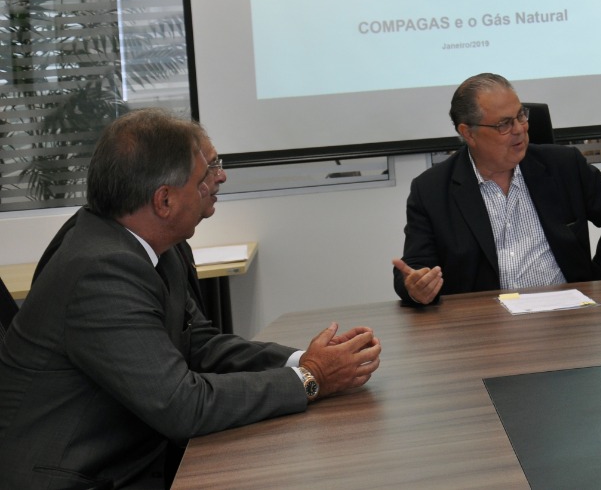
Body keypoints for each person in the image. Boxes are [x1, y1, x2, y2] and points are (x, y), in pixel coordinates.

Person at [0, 109, 381, 490]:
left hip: (133, 456)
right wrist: (310, 379)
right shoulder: (101, 271)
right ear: (164, 201)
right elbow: (182, 405)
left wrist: (304, 360)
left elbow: (198, 342)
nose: (218, 178)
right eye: (204, 175)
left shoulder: (157, 244)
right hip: (80, 476)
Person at [393, 73, 601, 304]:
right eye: (504, 124)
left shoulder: (563, 166)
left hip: (566, 317)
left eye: (521, 116)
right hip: (483, 326)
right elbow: (414, 268)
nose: (520, 129)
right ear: (468, 133)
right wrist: (416, 287)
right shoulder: (431, 190)